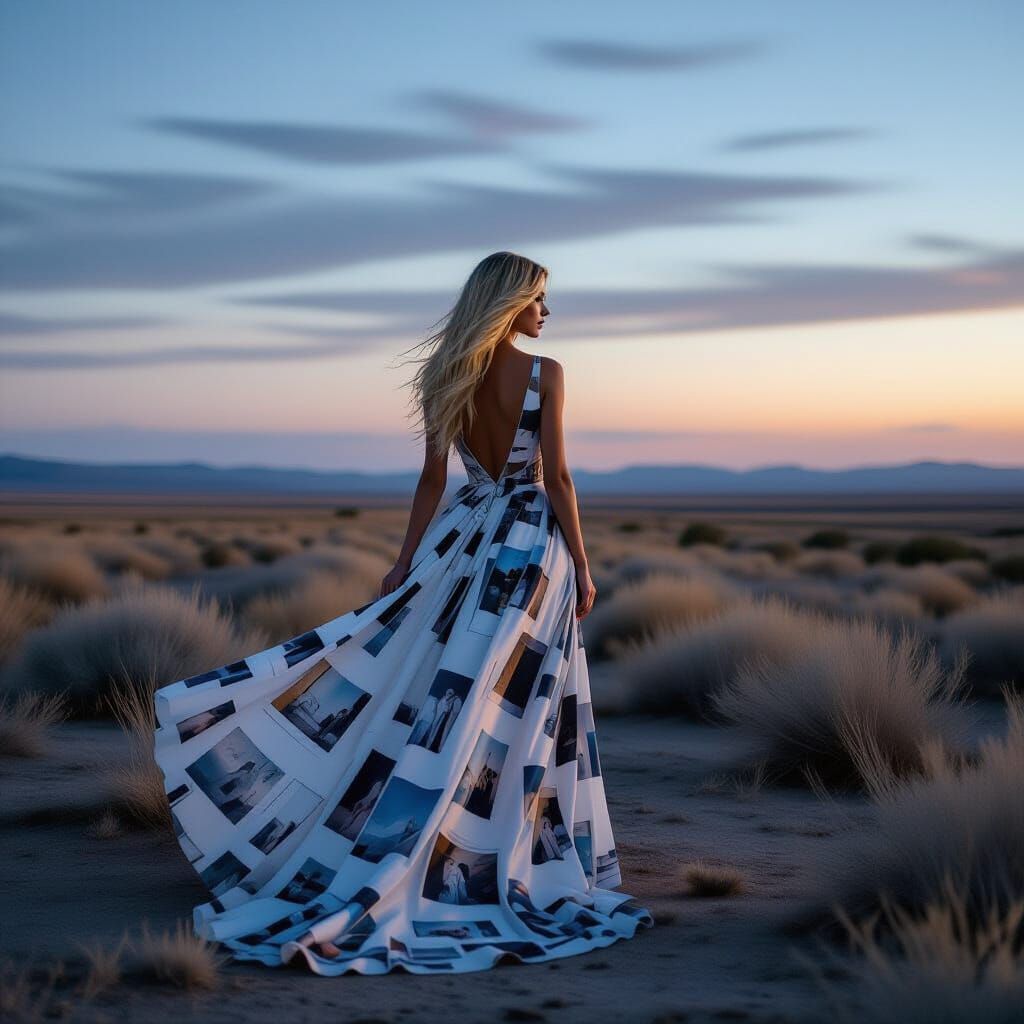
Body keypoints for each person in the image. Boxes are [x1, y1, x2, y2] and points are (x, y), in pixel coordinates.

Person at [153, 251, 653, 977]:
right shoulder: (547, 375)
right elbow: (561, 478)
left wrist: (405, 561)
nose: (548, 313)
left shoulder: (444, 376)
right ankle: (495, 847)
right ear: (509, 302)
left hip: (463, 538)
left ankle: (430, 832)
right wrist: (583, 561)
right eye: (540, 299)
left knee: (440, 688)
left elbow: (431, 480)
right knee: (515, 701)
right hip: (526, 545)